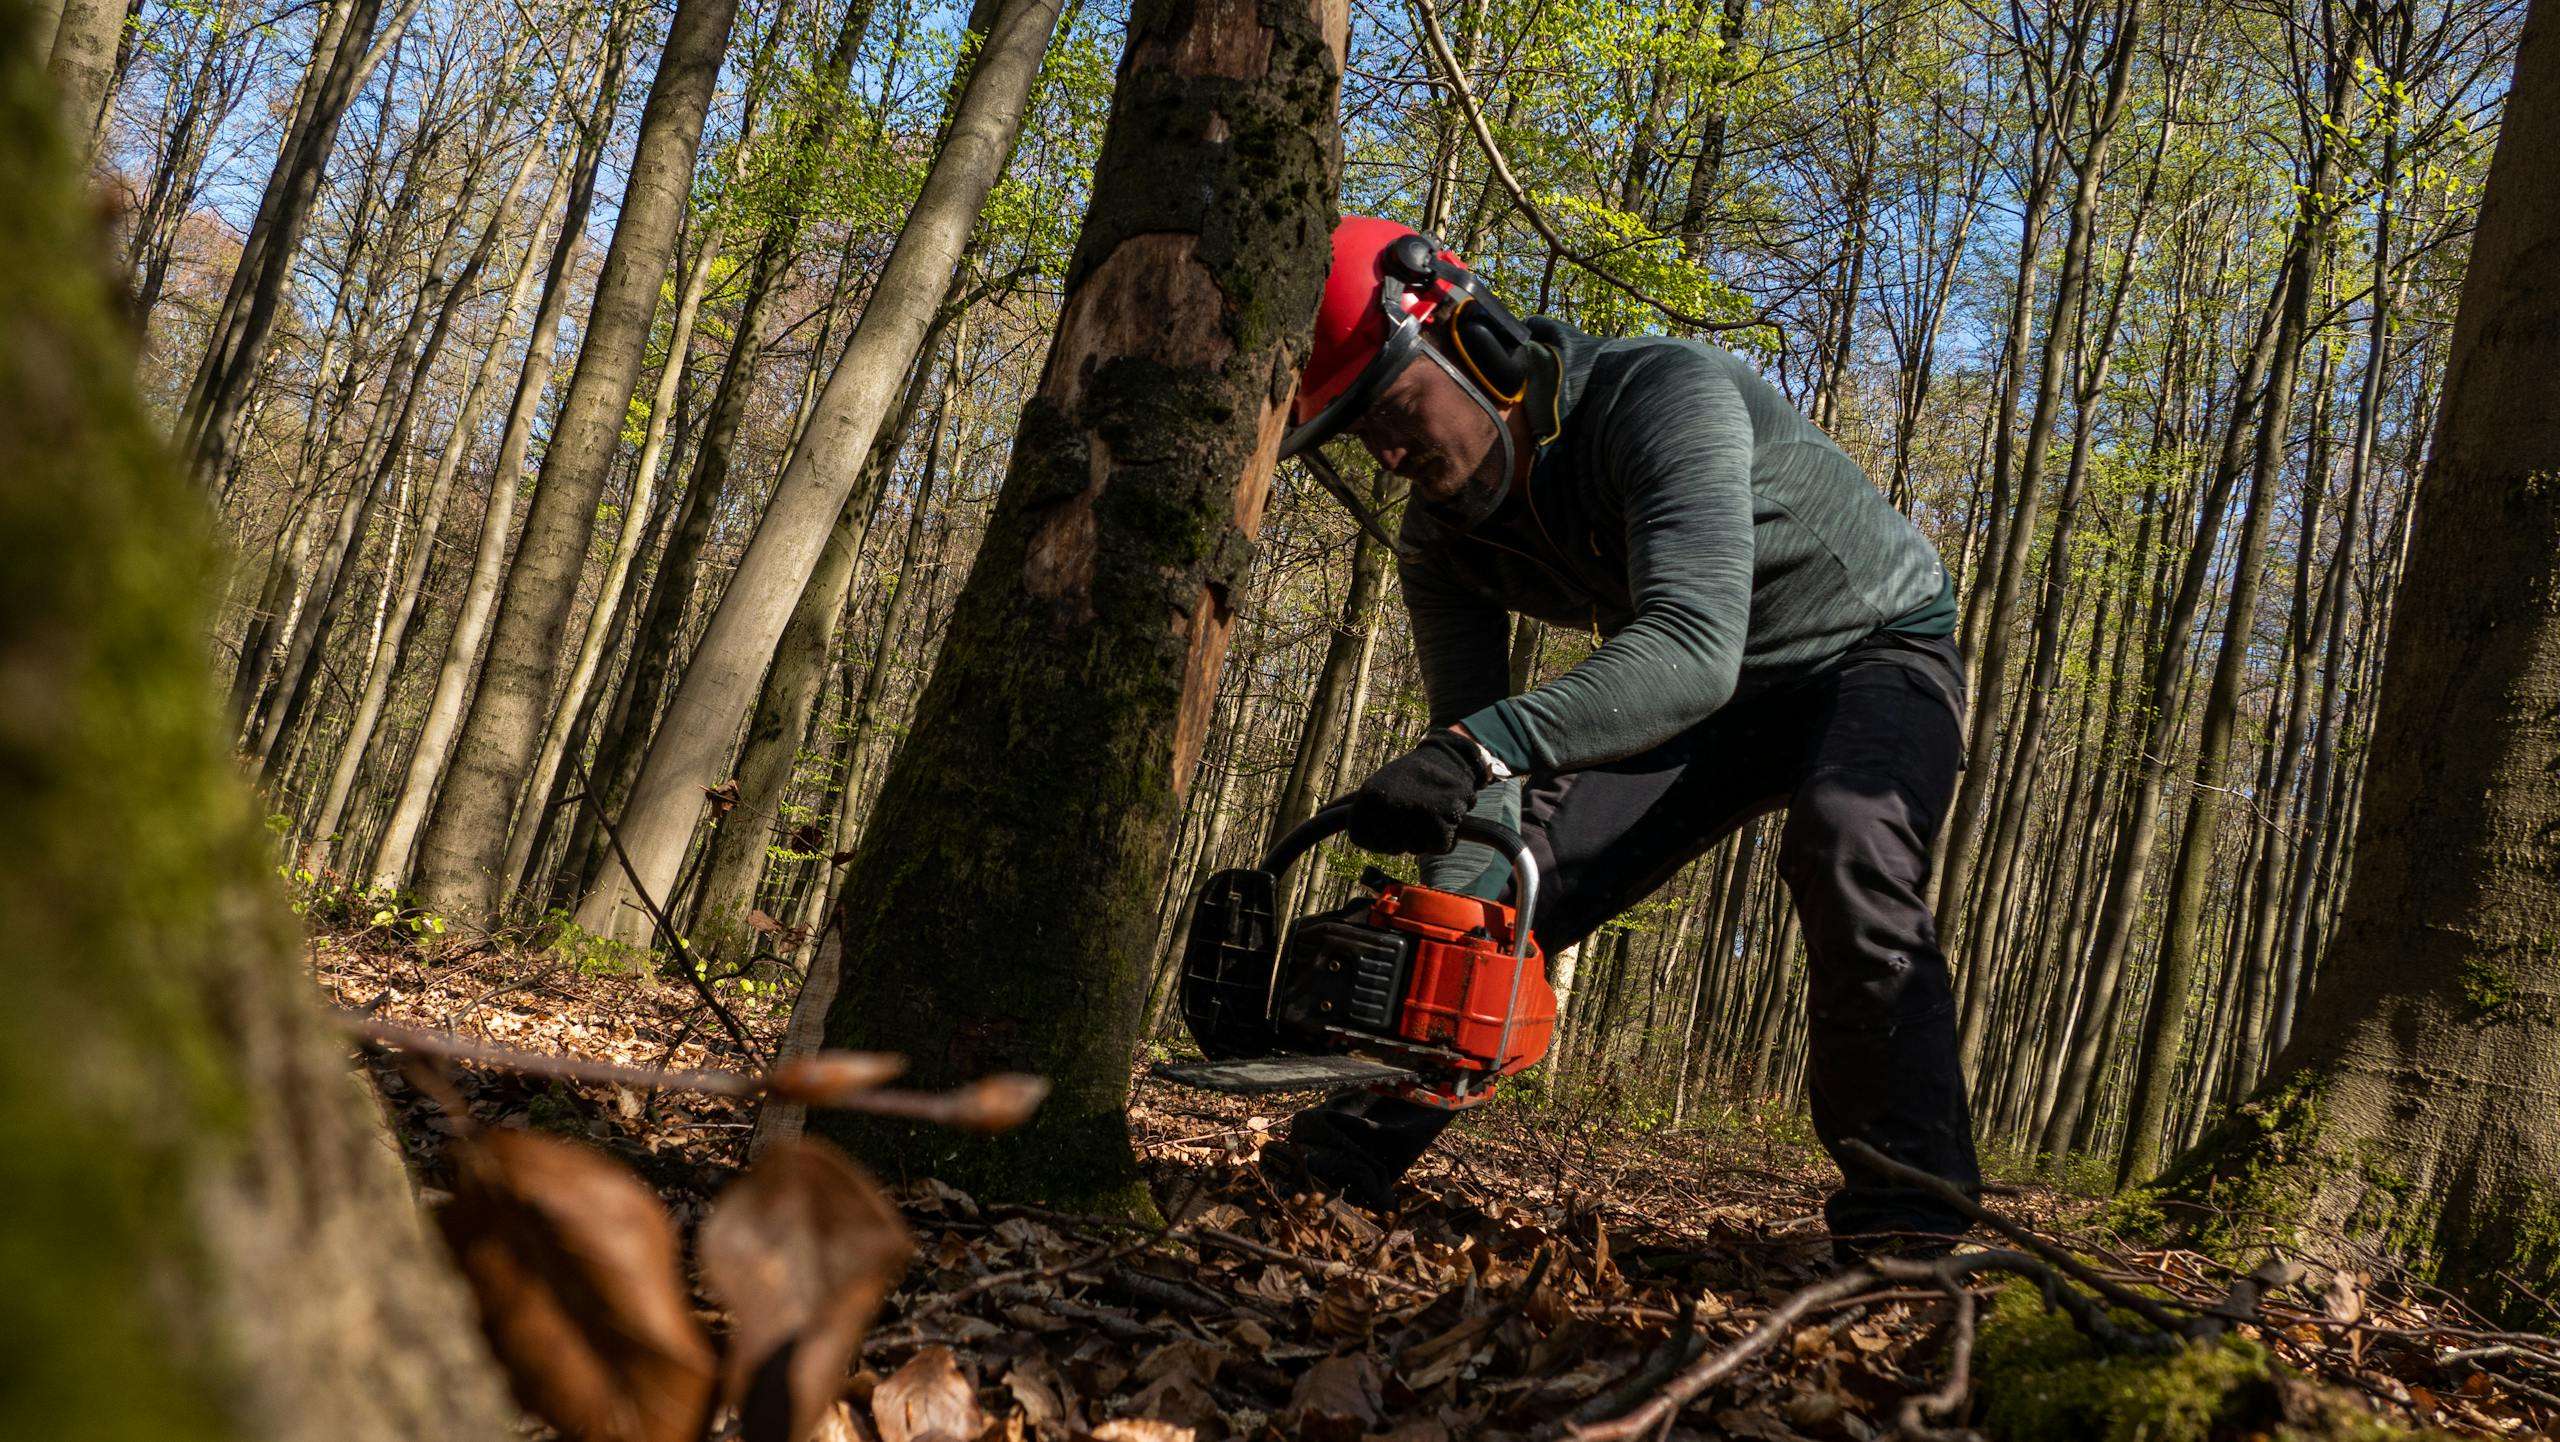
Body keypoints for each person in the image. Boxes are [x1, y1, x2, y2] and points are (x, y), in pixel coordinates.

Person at [1261, 216, 1980, 1260]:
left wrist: (1473, 750)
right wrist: (1457, 858)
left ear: (1475, 343)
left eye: (1392, 406)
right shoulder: (1441, 538)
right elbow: (1485, 766)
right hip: (1712, 700)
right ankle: (1343, 1154)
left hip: (1869, 651)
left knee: (1849, 837)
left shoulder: (1661, 397)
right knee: (1511, 879)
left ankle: (1908, 1219)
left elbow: (1688, 646)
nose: (1387, 451)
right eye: (1356, 433)